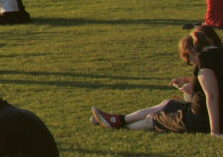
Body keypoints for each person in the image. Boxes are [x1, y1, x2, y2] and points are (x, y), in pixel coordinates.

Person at [91, 26, 223, 135]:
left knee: (152, 119)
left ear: (195, 51)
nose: (192, 63)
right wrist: (188, 80)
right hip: (201, 112)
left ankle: (119, 125)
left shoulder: (205, 60)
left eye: (190, 59)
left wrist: (214, 131)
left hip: (200, 118)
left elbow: (212, 95)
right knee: (168, 103)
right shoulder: (217, 55)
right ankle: (117, 120)